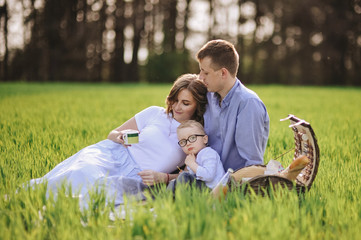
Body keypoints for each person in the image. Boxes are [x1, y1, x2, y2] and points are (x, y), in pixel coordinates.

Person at [29, 74, 208, 206]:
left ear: (197, 106)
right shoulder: (155, 113)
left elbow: (192, 173)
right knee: (83, 171)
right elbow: (112, 134)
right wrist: (121, 137)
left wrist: (165, 177)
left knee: (97, 193)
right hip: (113, 154)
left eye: (185, 103)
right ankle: (30, 200)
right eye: (175, 100)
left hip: (136, 176)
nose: (177, 107)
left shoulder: (196, 134)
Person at [196, 39, 270, 172]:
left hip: (232, 183)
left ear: (223, 73)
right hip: (204, 173)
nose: (200, 77)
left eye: (205, 72)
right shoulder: (208, 95)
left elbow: (252, 165)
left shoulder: (248, 104)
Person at [176, 120, 225, 189]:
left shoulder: (208, 153)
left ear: (204, 139)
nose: (188, 143)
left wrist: (192, 164)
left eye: (192, 138)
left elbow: (208, 176)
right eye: (183, 141)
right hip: (201, 189)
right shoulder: (193, 157)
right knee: (176, 181)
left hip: (213, 190)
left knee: (184, 177)